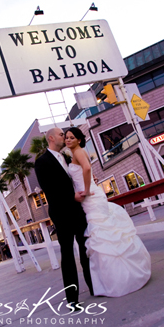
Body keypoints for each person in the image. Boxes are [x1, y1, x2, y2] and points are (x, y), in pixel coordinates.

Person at [64, 127, 151, 297]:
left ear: (79, 140)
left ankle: (118, 280)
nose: (68, 140)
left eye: (71, 137)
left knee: (102, 234)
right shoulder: (76, 152)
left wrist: (87, 189)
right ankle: (110, 279)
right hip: (90, 197)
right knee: (103, 234)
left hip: (90, 197)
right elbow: (85, 172)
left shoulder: (78, 152)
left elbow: (87, 168)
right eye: (66, 137)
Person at [34, 127, 93, 309]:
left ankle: (93, 286)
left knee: (85, 250)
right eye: (62, 135)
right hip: (61, 214)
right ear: (51, 138)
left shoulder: (67, 157)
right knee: (67, 255)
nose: (65, 137)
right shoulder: (42, 161)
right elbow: (49, 190)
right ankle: (72, 299)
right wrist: (71, 196)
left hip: (77, 211)